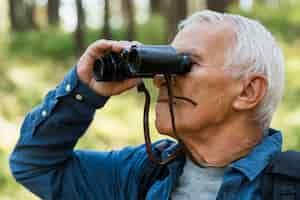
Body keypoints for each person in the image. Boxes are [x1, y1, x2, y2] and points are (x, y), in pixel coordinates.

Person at [10, 10, 285, 200]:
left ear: (248, 91)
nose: (161, 79)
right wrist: (83, 92)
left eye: (184, 64)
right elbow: (35, 166)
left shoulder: (288, 187)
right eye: (164, 62)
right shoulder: (142, 172)